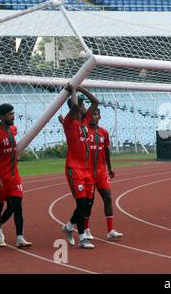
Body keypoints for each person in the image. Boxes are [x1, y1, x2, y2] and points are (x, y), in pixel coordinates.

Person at [0, 104, 32, 248]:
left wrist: (14, 156)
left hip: (14, 177)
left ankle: (20, 238)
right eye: (9, 114)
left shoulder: (13, 130)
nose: (13, 116)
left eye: (13, 113)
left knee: (16, 206)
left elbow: (11, 148)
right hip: (0, 178)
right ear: (1, 117)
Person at [61, 84, 98, 249]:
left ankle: (69, 227)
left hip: (87, 170)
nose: (85, 108)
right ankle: (82, 238)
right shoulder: (70, 122)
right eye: (83, 105)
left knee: (88, 203)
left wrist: (81, 89)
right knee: (81, 203)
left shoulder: (85, 121)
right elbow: (75, 106)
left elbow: (95, 101)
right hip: (74, 168)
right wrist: (73, 90)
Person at [83, 108, 123, 240]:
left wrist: (110, 168)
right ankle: (86, 228)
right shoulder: (84, 131)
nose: (94, 117)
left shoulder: (104, 132)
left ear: (100, 117)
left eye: (96, 114)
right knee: (89, 201)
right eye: (92, 114)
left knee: (108, 197)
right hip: (87, 172)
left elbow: (106, 150)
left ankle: (110, 230)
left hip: (101, 171)